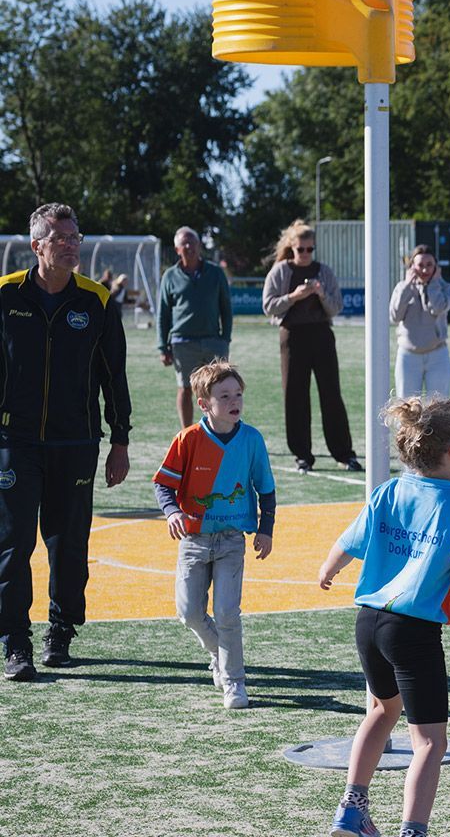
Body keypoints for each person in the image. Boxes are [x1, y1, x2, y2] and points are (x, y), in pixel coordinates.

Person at [318, 396, 450, 837]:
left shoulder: (389, 490)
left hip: (369, 621)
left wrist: (329, 568)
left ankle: (352, 809)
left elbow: (349, 543)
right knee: (430, 741)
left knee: (381, 711)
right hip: (413, 631)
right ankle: (413, 831)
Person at [0, 203, 133, 680]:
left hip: (76, 441)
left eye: (76, 237)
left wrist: (120, 440)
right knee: (13, 544)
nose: (72, 245)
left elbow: (113, 376)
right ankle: (16, 641)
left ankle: (61, 630)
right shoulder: (5, 296)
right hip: (13, 440)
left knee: (68, 544)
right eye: (61, 238)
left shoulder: (96, 300)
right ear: (37, 246)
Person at [154, 361, 275, 709]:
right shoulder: (189, 439)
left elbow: (266, 489)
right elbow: (164, 485)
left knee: (227, 612)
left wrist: (265, 530)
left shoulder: (252, 439)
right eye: (224, 396)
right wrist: (173, 512)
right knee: (189, 612)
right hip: (193, 540)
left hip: (232, 541)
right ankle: (219, 656)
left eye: (238, 394)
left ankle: (234, 682)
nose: (234, 401)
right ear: (204, 403)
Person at [262, 220, 361, 474]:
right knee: (295, 396)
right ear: (292, 247)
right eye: (301, 249)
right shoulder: (281, 271)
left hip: (321, 335)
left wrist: (320, 294)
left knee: (331, 395)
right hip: (292, 337)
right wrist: (294, 296)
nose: (305, 254)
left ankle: (344, 453)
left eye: (310, 249)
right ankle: (302, 455)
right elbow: (268, 306)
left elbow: (336, 307)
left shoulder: (324, 271)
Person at [158, 227, 234, 430]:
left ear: (200, 246)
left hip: (213, 341)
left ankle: (218, 428)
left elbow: (226, 308)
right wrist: (162, 347)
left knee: (219, 388)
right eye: (185, 243)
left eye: (193, 242)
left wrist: (224, 339)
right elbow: (163, 314)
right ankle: (187, 433)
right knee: (185, 388)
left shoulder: (216, 273)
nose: (189, 247)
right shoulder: (169, 276)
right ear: (177, 248)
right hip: (182, 343)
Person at [391, 245, 450, 398]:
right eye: (420, 265)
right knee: (407, 410)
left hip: (438, 355)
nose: (425, 270)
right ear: (412, 266)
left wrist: (433, 285)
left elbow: (438, 308)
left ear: (436, 267)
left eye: (429, 265)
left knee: (439, 409)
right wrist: (408, 286)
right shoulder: (402, 288)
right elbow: (395, 316)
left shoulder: (447, 288)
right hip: (408, 356)